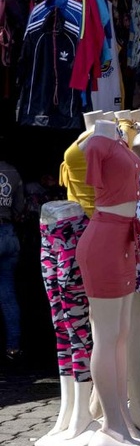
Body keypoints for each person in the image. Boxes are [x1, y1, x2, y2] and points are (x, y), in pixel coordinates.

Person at [0, 149, 24, 361]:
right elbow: (20, 208)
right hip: (8, 234)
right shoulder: (13, 172)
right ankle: (13, 346)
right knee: (7, 294)